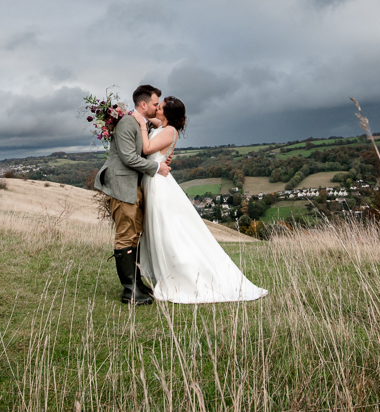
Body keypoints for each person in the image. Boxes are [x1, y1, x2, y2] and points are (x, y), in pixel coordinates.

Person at [133, 96, 268, 304]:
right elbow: (154, 122)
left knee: (167, 229)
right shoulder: (163, 125)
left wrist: (142, 125)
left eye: (160, 107)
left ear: (167, 113)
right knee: (159, 228)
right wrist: (140, 116)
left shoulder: (170, 131)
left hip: (159, 186)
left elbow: (147, 149)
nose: (156, 109)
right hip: (154, 182)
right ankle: (162, 272)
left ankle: (182, 273)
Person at [93, 84, 171, 305]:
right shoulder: (128, 123)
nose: (157, 108)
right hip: (121, 187)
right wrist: (156, 168)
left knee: (134, 233)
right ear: (144, 104)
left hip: (132, 186)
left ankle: (136, 283)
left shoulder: (139, 122)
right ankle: (130, 291)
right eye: (155, 104)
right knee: (126, 234)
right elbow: (128, 158)